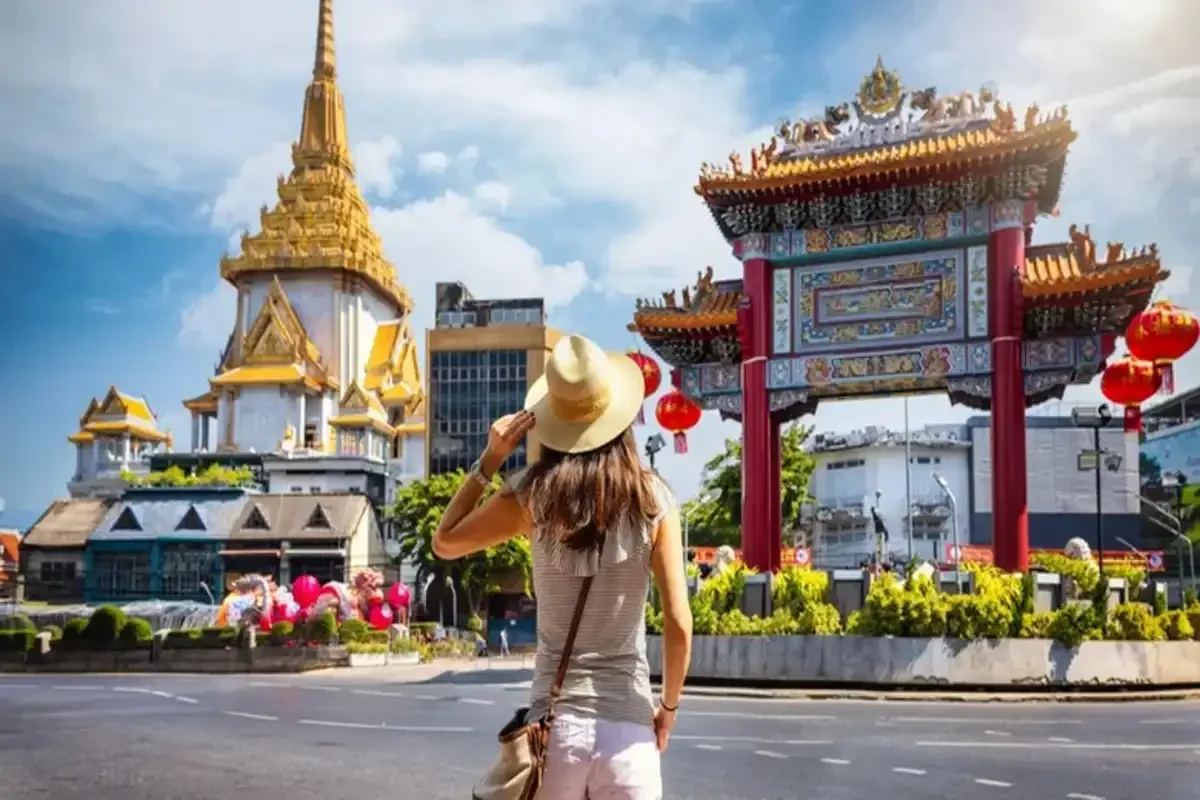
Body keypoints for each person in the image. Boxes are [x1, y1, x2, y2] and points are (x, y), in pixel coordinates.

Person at [432, 334, 692, 799]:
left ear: (552, 421)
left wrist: (490, 458)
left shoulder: (533, 496)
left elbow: (445, 542)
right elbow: (678, 622)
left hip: (558, 734)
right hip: (630, 729)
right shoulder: (656, 500)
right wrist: (667, 710)